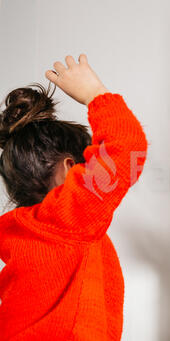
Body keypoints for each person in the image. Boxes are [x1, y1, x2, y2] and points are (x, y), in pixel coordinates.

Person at [0, 54, 148, 340]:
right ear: (70, 170)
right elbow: (127, 148)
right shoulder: (70, 217)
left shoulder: (20, 235)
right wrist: (96, 95)